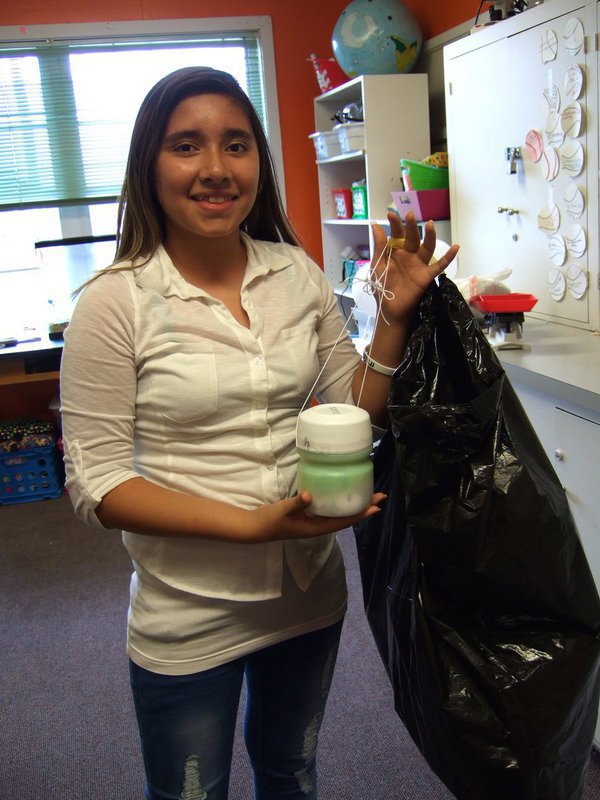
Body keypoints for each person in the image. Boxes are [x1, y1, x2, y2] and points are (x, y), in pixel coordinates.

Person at [60, 66, 458, 800]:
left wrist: (395, 319)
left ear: (258, 163)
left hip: (306, 591)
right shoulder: (114, 302)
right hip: (187, 607)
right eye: (187, 146)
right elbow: (100, 484)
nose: (215, 168)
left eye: (236, 145)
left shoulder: (296, 273)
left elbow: (354, 410)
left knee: (291, 772)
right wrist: (254, 527)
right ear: (149, 163)